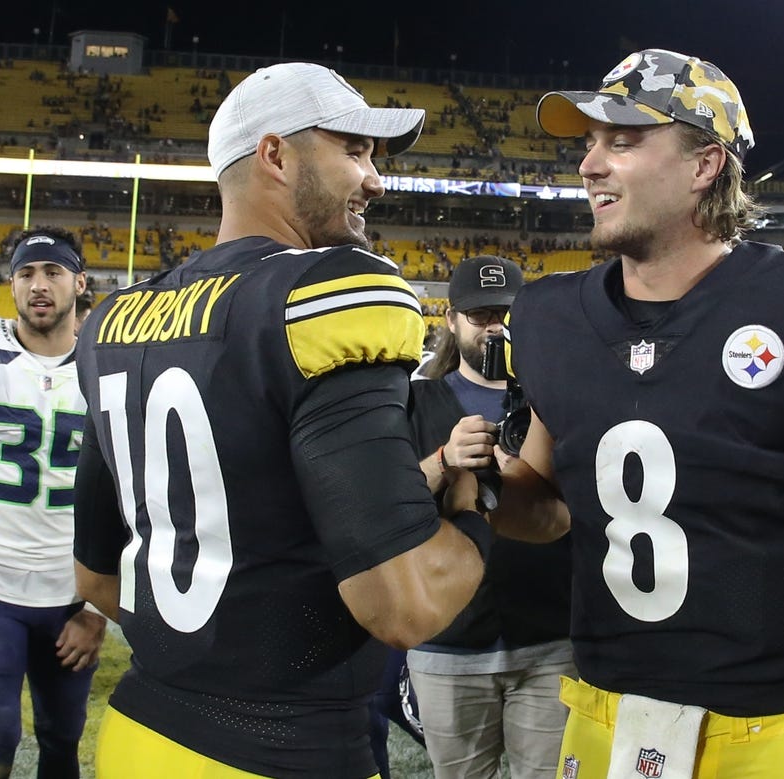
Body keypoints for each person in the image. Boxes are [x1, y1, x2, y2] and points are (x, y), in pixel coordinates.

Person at [491, 48, 784, 779]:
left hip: (754, 733)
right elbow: (544, 505)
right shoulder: (551, 316)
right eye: (589, 143)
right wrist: (473, 481)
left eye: (623, 141)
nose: (589, 165)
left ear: (705, 163)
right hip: (598, 716)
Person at [72, 61, 492, 779]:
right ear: (275, 154)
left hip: (139, 734)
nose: (375, 179)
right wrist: (474, 503)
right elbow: (405, 606)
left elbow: (95, 576)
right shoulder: (325, 292)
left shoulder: (114, 320)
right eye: (354, 150)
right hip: (281, 752)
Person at [0, 225, 107, 779]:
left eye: (53, 272)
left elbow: (137, 499)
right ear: (11, 285)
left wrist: (100, 611)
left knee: (62, 740)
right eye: (26, 273)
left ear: (79, 283)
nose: (39, 285)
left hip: (71, 595)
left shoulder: (109, 364)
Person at [406, 254, 574, 779]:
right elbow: (389, 503)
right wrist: (443, 460)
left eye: (504, 313)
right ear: (452, 321)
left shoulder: (557, 397)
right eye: (480, 315)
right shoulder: (414, 400)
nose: (494, 326)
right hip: (449, 638)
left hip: (550, 631)